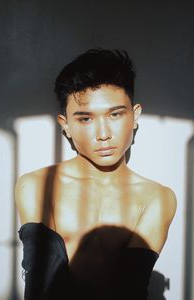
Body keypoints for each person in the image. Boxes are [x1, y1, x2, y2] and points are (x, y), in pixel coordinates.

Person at [15, 48, 177, 300]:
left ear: (135, 116)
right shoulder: (36, 185)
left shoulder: (156, 197)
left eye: (115, 114)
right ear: (65, 125)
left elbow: (129, 288)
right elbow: (42, 284)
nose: (103, 134)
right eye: (85, 119)